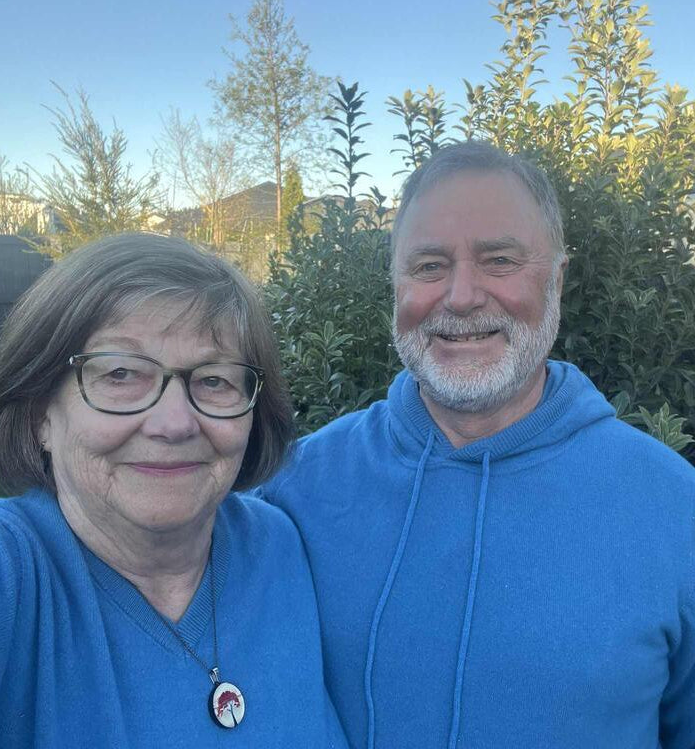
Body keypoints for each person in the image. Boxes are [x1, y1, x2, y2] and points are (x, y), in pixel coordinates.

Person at [256, 141, 695, 749]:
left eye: (499, 260)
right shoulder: (293, 490)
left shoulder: (675, 509)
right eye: (429, 266)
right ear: (396, 286)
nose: (461, 296)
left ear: (558, 279)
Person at [0, 233, 348, 748]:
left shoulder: (279, 545)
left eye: (214, 380)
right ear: (40, 412)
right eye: (122, 373)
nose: (174, 423)